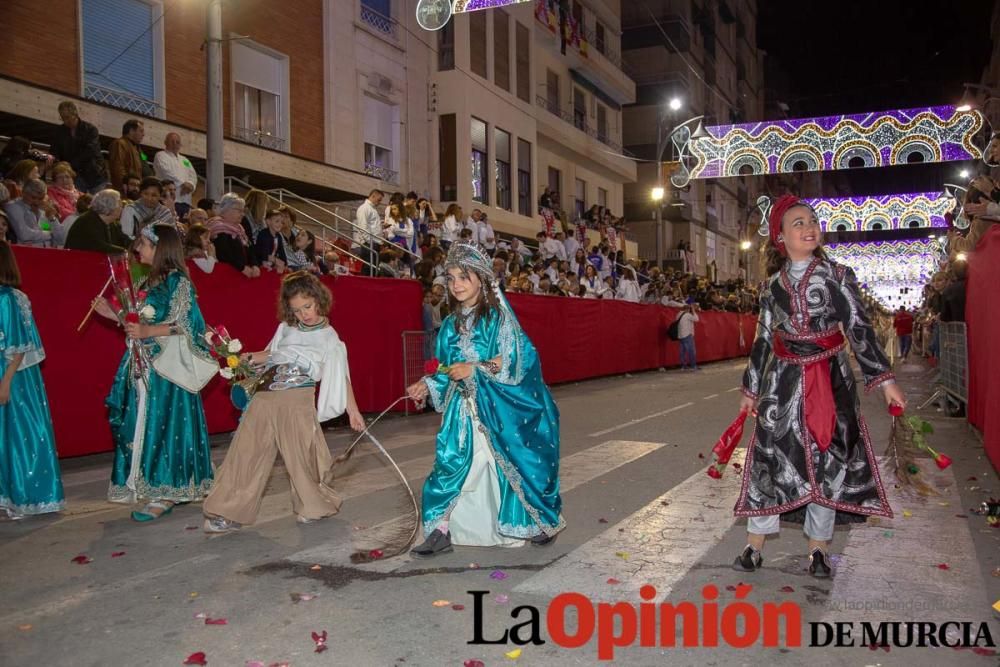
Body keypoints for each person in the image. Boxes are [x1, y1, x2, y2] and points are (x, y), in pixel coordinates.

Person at [734, 195, 904, 578]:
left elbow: (859, 329)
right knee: (772, 460)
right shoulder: (771, 287)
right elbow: (763, 341)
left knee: (828, 461)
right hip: (782, 385)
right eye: (797, 222)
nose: (809, 226)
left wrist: (885, 380)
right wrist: (750, 391)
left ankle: (819, 550)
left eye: (812, 220)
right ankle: (753, 545)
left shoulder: (838, 276)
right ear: (780, 237)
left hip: (831, 380)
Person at [406, 242, 565, 557]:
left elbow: (518, 359)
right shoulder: (450, 325)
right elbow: (445, 367)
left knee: (509, 466)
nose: (456, 284)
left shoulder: (498, 319)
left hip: (497, 409)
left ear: (480, 278)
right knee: (450, 466)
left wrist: (476, 369)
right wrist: (427, 383)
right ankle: (441, 530)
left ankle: (535, 522)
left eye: (464, 277)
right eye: (450, 279)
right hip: (461, 411)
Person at [202, 271, 365, 532]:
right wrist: (244, 358)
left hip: (297, 399)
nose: (304, 314)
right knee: (246, 451)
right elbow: (272, 354)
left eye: (307, 306)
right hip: (265, 397)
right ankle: (227, 512)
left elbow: (341, 376)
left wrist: (353, 411)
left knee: (301, 458)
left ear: (318, 298)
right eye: (297, 310)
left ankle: (313, 506)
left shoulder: (330, 337)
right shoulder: (285, 328)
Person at [91, 225, 215, 521]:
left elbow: (188, 325)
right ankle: (166, 488)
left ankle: (167, 493)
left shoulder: (178, 282)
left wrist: (148, 329)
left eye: (144, 244)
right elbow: (137, 324)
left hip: (167, 369)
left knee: (164, 427)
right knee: (144, 425)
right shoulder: (147, 281)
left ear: (161, 248)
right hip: (145, 363)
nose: (138, 250)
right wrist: (114, 313)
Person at [0, 242, 65, 519]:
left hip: (13, 375)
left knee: (19, 434)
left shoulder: (8, 298)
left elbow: (19, 345)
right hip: (8, 373)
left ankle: (27, 495)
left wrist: (5, 382)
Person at [51, 101, 107, 193]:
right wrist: (55, 160)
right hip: (75, 175)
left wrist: (70, 164)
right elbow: (55, 150)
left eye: (67, 117)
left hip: (94, 174)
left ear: (75, 114)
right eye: (62, 118)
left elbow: (91, 150)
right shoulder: (59, 131)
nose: (65, 121)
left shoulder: (90, 129)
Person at [63, 189, 131, 254]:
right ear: (111, 208)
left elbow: (124, 241)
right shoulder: (87, 221)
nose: (122, 209)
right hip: (77, 262)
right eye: (120, 206)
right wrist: (123, 251)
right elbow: (99, 247)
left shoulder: (112, 223)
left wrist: (137, 244)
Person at [208, 193, 260, 278]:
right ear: (226, 209)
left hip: (244, 276)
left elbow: (249, 248)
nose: (243, 214)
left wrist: (254, 264)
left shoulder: (240, 229)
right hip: (226, 277)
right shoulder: (217, 227)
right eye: (239, 211)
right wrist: (242, 268)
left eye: (243, 211)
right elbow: (223, 254)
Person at [153, 133, 198, 220]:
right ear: (165, 142)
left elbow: (193, 175)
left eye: (177, 142)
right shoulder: (161, 155)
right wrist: (183, 184)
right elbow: (165, 172)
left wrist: (191, 184)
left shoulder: (185, 160)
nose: (175, 144)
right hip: (168, 200)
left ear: (180, 144)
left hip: (186, 201)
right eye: (172, 141)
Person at [4, 179, 55, 247]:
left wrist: (50, 217)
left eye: (40, 198)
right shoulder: (13, 207)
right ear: (23, 193)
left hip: (45, 250)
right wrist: (48, 234)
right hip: (24, 252)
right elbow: (25, 235)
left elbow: (46, 229)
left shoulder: (41, 209)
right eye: (33, 197)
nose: (37, 202)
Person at [108, 119, 146, 195]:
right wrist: (124, 186)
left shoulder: (138, 149)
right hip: (125, 190)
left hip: (134, 189)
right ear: (131, 131)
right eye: (141, 131)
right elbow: (118, 168)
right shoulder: (120, 144)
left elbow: (145, 166)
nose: (143, 134)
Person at [353, 189, 384, 276]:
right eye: (379, 200)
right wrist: (369, 242)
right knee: (368, 269)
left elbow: (372, 226)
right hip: (369, 243)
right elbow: (363, 227)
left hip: (374, 242)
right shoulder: (364, 208)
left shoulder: (372, 209)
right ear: (373, 196)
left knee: (373, 270)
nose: (380, 202)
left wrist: (381, 225)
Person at [255, 208, 289, 273]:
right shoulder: (263, 234)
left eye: (281, 222)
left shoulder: (278, 236)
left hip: (271, 261)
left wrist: (285, 263)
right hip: (261, 260)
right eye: (277, 221)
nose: (280, 224)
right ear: (268, 222)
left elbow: (281, 251)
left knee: (283, 268)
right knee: (278, 267)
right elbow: (264, 253)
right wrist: (276, 261)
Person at [675, 302, 700, 370]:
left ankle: (683, 366)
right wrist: (694, 311)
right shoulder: (687, 315)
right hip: (687, 335)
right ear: (688, 309)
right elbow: (697, 319)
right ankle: (693, 366)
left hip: (680, 335)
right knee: (691, 351)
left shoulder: (678, 314)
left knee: (682, 352)